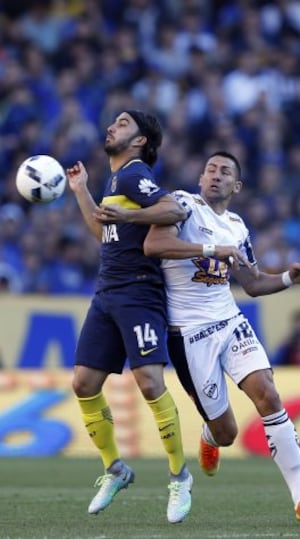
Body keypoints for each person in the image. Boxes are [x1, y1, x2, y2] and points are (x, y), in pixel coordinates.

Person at [143, 151, 300, 523]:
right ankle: (211, 437)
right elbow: (154, 245)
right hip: (189, 334)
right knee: (226, 432)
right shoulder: (183, 205)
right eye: (210, 169)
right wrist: (212, 249)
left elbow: (253, 283)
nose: (215, 175)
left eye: (224, 172)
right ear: (200, 179)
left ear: (236, 185)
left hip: (229, 321)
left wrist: (291, 277)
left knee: (269, 394)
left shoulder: (237, 227)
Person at [66, 110, 192, 524]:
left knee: (150, 382)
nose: (111, 127)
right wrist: (82, 191)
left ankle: (179, 476)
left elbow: (174, 210)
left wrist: (132, 216)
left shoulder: (134, 175)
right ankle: (115, 469)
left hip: (139, 292)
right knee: (84, 383)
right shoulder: (113, 181)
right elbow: (107, 233)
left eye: (122, 123)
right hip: (107, 293)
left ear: (139, 141)